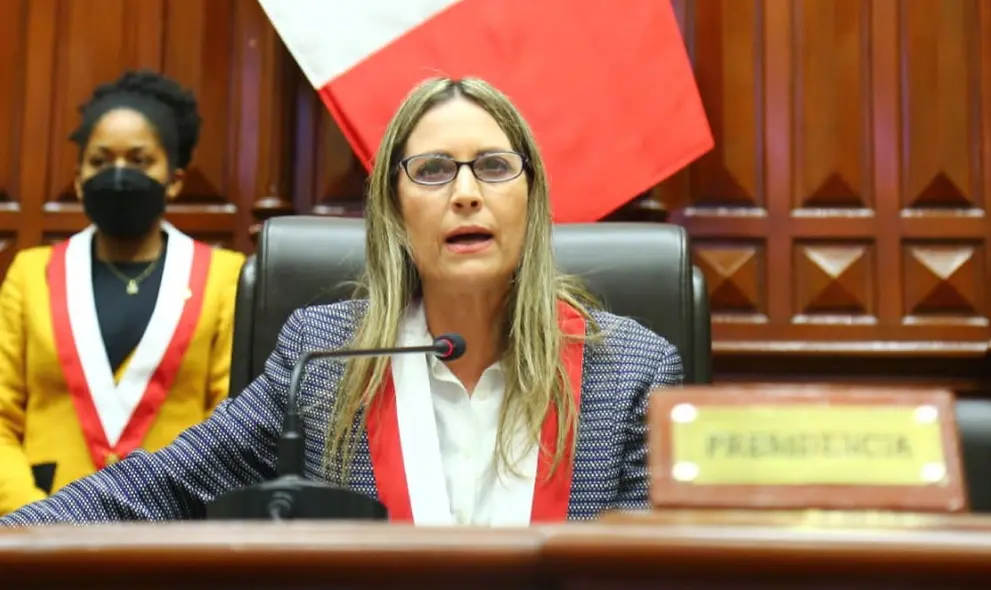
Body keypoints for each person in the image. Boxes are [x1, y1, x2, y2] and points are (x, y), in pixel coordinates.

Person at [0, 76, 682, 527]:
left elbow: (643, 570)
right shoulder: (324, 359)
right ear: (393, 206)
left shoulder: (631, 370)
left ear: (532, 199)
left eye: (495, 166)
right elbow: (166, 486)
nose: (467, 192)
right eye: (434, 170)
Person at [0, 70, 245, 515]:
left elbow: (233, 427)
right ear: (77, 180)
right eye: (100, 161)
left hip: (172, 538)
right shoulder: (30, 273)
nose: (117, 175)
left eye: (139, 160)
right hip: (38, 537)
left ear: (173, 179)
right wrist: (38, 519)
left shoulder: (226, 277)